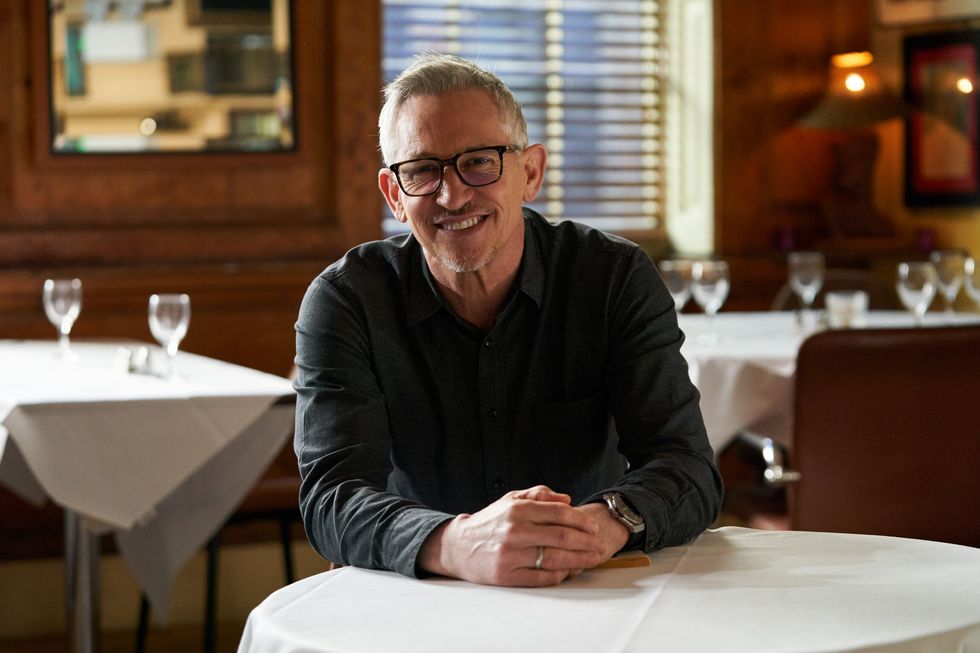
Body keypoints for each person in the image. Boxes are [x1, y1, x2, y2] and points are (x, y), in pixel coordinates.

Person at [294, 53, 722, 587]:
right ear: (395, 195)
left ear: (530, 173)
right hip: (421, 593)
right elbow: (332, 498)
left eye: (479, 161)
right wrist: (456, 543)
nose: (452, 195)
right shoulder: (347, 300)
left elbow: (687, 467)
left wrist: (599, 525)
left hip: (593, 583)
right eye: (422, 170)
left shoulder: (611, 277)